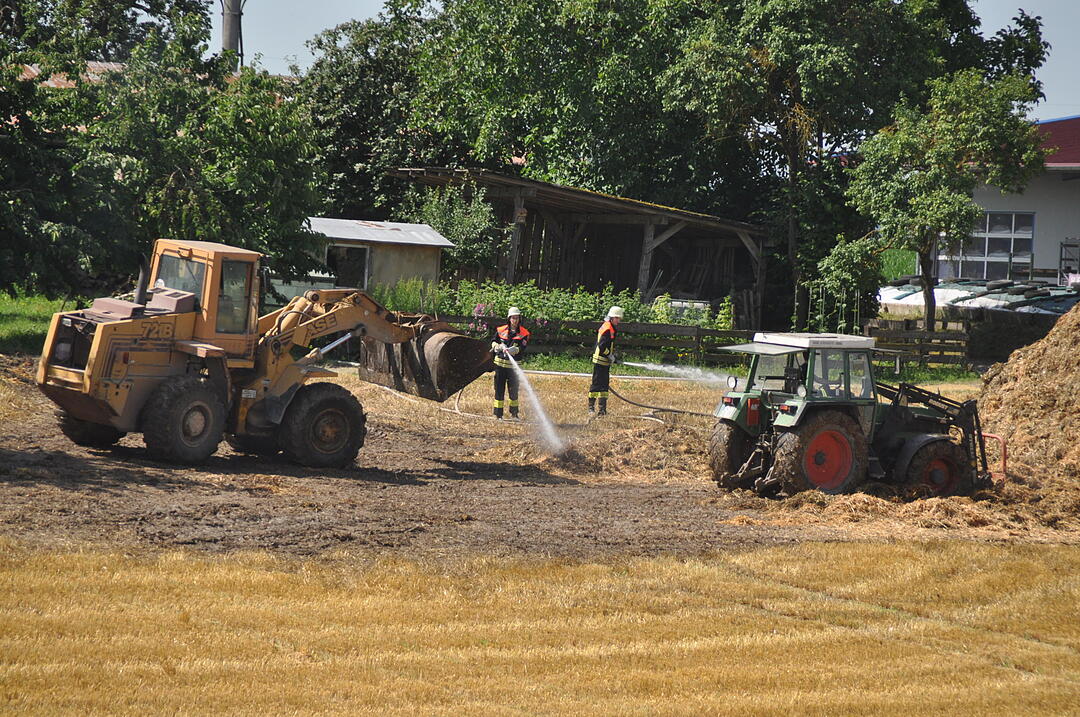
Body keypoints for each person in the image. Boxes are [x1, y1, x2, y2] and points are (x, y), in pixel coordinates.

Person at [491, 306, 530, 419]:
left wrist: (515, 350)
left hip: (514, 367)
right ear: (509, 318)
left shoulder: (524, 333)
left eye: (517, 318)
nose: (515, 320)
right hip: (500, 365)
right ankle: (498, 415)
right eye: (513, 318)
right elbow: (493, 341)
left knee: (513, 391)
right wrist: (496, 346)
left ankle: (514, 414)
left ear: (520, 319)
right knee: (499, 390)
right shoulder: (501, 330)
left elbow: (523, 347)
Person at [588, 306, 622, 416]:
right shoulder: (608, 328)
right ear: (612, 318)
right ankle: (591, 408)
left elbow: (608, 344)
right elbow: (602, 346)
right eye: (617, 318)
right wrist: (610, 355)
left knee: (604, 386)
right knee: (596, 385)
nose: (619, 321)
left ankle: (602, 410)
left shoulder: (610, 327)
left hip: (605, 362)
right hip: (600, 361)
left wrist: (612, 355)